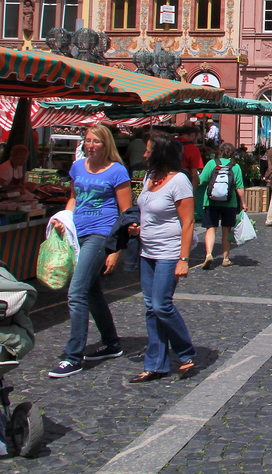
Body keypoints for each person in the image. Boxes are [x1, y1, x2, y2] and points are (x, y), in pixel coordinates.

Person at [49, 124, 130, 378]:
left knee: (76, 292)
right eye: (88, 141)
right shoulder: (77, 167)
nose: (91, 145)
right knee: (92, 292)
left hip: (101, 234)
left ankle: (74, 356)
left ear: (106, 145)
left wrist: (117, 249)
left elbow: (126, 213)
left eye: (96, 141)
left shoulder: (118, 171)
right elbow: (74, 197)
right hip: (77, 233)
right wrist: (64, 217)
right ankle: (112, 343)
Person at [130, 131, 197, 382]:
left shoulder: (179, 181)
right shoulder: (150, 177)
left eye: (148, 150)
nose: (144, 154)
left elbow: (188, 221)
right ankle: (155, 364)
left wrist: (184, 259)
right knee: (150, 308)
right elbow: (146, 210)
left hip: (169, 252)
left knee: (161, 305)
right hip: (147, 251)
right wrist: (137, 228)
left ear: (160, 152)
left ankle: (186, 352)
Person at [197, 143, 244, 269]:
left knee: (211, 228)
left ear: (220, 151)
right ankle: (226, 258)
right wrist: (243, 203)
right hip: (230, 202)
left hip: (211, 202)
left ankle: (208, 254)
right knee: (226, 230)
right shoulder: (236, 167)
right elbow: (239, 186)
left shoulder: (211, 164)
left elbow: (203, 180)